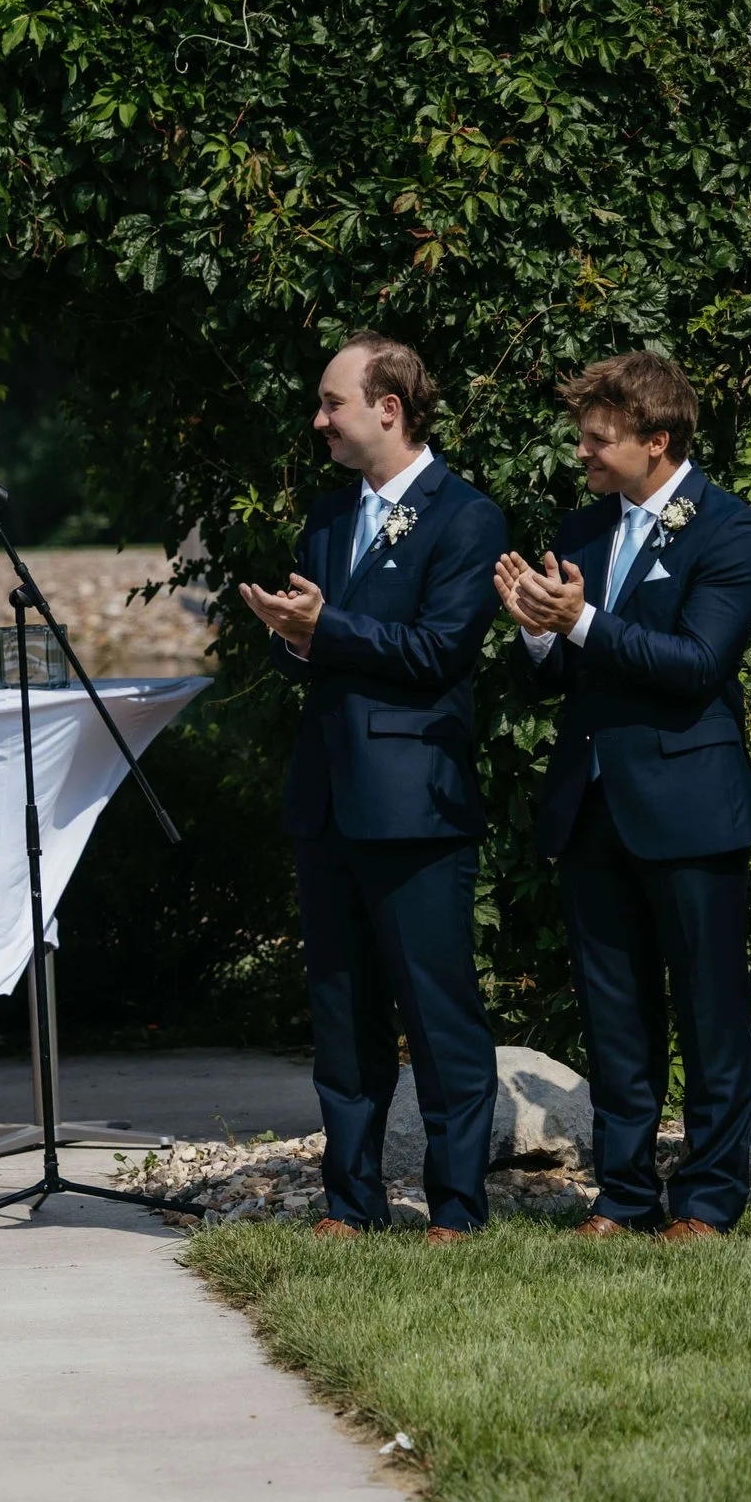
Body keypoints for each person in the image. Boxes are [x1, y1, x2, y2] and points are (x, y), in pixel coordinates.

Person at [494, 353, 751, 1239]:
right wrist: (539, 637)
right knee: (615, 1017)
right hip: (592, 805)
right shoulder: (581, 528)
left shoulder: (732, 530)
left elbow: (696, 666)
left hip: (690, 806)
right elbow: (550, 679)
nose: (580, 450)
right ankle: (623, 1196)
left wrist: (576, 620)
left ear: (658, 442)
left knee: (710, 1015)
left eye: (598, 439)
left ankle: (706, 1199)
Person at [239, 333, 508, 1243]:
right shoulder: (327, 514)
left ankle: (457, 1207)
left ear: (387, 408)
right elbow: (324, 650)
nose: (319, 420)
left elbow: (439, 651)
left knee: (438, 1013)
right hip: (328, 797)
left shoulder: (466, 517)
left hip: (415, 800)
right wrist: (289, 635)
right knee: (341, 1012)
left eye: (332, 403)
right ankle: (348, 1202)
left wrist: (327, 631)